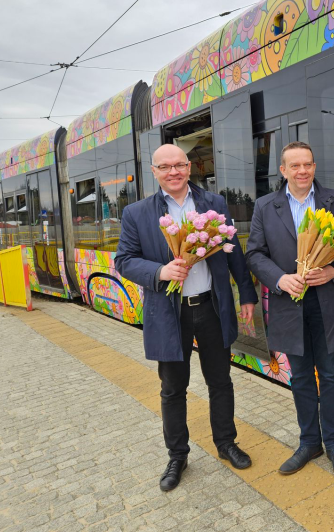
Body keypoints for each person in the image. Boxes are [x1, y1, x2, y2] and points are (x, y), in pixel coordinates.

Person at [115, 144, 258, 491]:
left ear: (189, 167)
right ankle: (177, 455)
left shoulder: (214, 203)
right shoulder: (137, 213)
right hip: (169, 311)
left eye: (179, 165)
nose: (173, 172)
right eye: (165, 167)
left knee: (220, 381)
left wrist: (247, 293)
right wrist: (161, 270)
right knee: (172, 388)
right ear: (154, 172)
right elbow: (124, 260)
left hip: (210, 306)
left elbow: (232, 248)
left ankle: (226, 443)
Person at [246, 141, 334, 478]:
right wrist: (280, 279)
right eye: (294, 166)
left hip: (327, 301)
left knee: (330, 375)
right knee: (300, 378)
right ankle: (309, 442)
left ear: (314, 166)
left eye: (307, 164)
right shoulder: (265, 206)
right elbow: (254, 254)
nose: (302, 171)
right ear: (283, 170)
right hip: (288, 302)